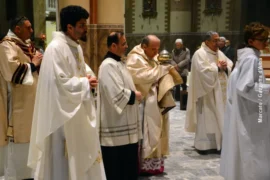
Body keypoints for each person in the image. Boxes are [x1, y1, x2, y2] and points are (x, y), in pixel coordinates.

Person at [27, 5, 106, 180]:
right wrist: (85, 83)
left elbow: (78, 70)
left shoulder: (74, 46)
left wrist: (88, 77)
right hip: (62, 118)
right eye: (82, 25)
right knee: (64, 162)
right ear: (69, 27)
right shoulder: (56, 48)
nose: (85, 28)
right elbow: (59, 83)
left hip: (76, 110)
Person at [220, 22, 270, 180]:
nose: (266, 42)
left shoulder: (247, 57)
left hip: (245, 111)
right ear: (251, 41)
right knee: (252, 148)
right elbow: (245, 87)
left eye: (267, 38)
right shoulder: (251, 59)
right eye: (262, 39)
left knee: (244, 147)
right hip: (250, 114)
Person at [126, 35, 177, 175]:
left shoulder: (152, 57)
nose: (156, 52)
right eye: (153, 49)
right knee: (146, 133)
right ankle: (143, 164)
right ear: (144, 47)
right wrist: (162, 70)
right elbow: (139, 77)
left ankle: (154, 164)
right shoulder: (134, 58)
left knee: (158, 130)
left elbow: (157, 71)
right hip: (143, 102)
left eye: (158, 48)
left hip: (156, 99)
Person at [0, 16, 42, 180]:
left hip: (31, 102)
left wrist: (39, 62)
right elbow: (12, 71)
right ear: (18, 29)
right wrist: (33, 64)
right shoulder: (6, 46)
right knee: (18, 145)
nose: (31, 31)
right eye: (28, 27)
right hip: (17, 105)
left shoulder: (26, 46)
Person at [98, 31, 142, 180]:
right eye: (123, 43)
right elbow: (114, 93)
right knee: (117, 169)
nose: (126, 46)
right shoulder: (108, 65)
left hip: (126, 124)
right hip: (115, 127)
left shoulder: (119, 62)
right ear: (113, 46)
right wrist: (134, 95)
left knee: (128, 167)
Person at [185, 31, 233, 154]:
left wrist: (225, 65)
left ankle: (220, 143)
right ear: (207, 41)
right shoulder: (200, 54)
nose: (218, 43)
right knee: (207, 117)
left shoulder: (219, 53)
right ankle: (205, 145)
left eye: (218, 40)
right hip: (207, 94)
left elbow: (229, 64)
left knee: (220, 116)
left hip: (220, 92)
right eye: (215, 40)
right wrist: (217, 68)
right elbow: (202, 71)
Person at [171, 38, 190, 109]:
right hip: (176, 70)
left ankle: (184, 99)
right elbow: (171, 59)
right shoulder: (173, 51)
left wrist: (178, 65)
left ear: (182, 44)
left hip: (183, 70)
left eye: (179, 45)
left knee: (183, 84)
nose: (177, 46)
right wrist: (175, 65)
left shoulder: (186, 50)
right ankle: (177, 98)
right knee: (176, 85)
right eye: (176, 45)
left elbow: (187, 59)